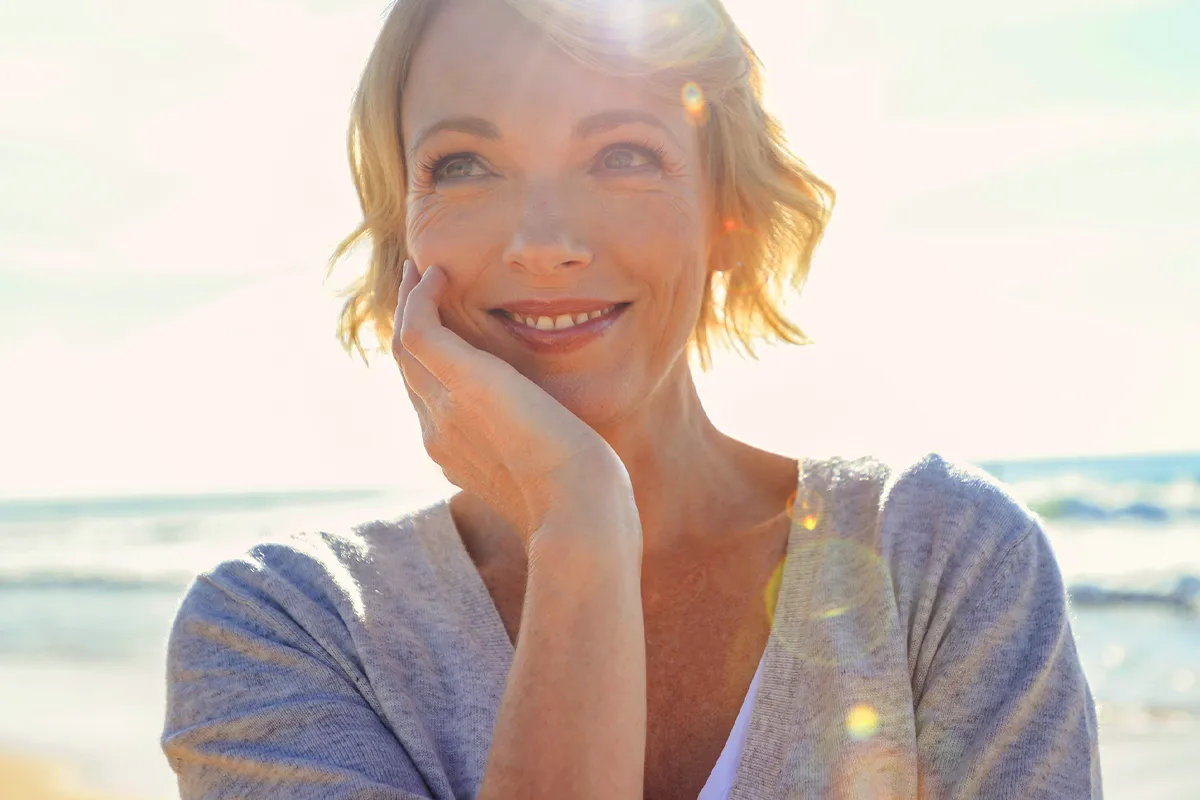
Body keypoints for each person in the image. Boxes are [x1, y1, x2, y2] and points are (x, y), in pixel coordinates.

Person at [160, 0, 1102, 797]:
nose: (543, 241)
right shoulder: (281, 627)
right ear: (401, 227)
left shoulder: (944, 558)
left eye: (621, 153)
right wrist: (580, 527)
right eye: (462, 164)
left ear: (726, 210)